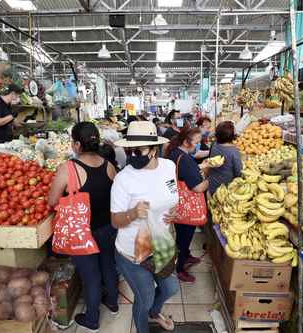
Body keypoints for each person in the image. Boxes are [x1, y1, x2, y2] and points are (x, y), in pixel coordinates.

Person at [48, 122, 118, 332]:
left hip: (82, 231)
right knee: (108, 266)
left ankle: (92, 319)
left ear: (77, 144)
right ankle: (112, 303)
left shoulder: (68, 169)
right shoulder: (109, 165)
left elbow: (52, 201)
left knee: (90, 276)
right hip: (108, 227)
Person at [111, 121, 180, 333]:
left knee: (170, 288)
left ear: (153, 149)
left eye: (138, 150)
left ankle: (154, 313)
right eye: (129, 150)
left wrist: (174, 211)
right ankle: (142, 328)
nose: (132, 155)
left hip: (161, 244)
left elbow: (171, 195)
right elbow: (115, 220)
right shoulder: (123, 179)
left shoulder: (168, 167)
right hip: (133, 253)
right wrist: (133, 213)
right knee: (145, 296)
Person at [166, 127, 209, 283]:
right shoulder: (185, 160)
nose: (198, 146)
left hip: (177, 202)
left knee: (181, 234)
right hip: (187, 207)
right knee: (184, 238)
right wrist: (209, 177)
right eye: (197, 143)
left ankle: (186, 255)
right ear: (186, 142)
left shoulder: (174, 154)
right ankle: (180, 268)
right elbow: (198, 187)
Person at [208, 121, 243, 195]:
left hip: (212, 183)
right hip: (225, 188)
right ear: (232, 136)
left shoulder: (214, 144)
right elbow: (239, 172)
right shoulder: (234, 151)